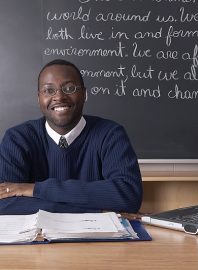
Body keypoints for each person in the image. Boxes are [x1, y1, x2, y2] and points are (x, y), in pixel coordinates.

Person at [0, 59, 143, 215]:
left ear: (84, 94)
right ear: (39, 98)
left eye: (69, 88)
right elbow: (5, 203)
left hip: (99, 237)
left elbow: (128, 196)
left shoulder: (110, 134)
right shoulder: (18, 139)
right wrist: (96, 210)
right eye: (49, 90)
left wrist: (35, 189)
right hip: (38, 236)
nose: (59, 97)